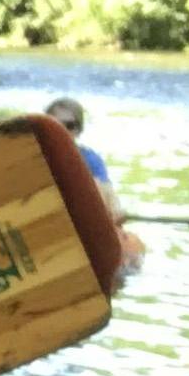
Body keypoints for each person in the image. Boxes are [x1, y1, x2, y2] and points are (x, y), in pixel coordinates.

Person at [44, 95, 146, 271]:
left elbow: (107, 196)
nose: (62, 131)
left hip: (83, 223)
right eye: (55, 125)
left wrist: (115, 213)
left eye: (69, 126)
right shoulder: (35, 156)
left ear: (78, 130)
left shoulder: (90, 160)